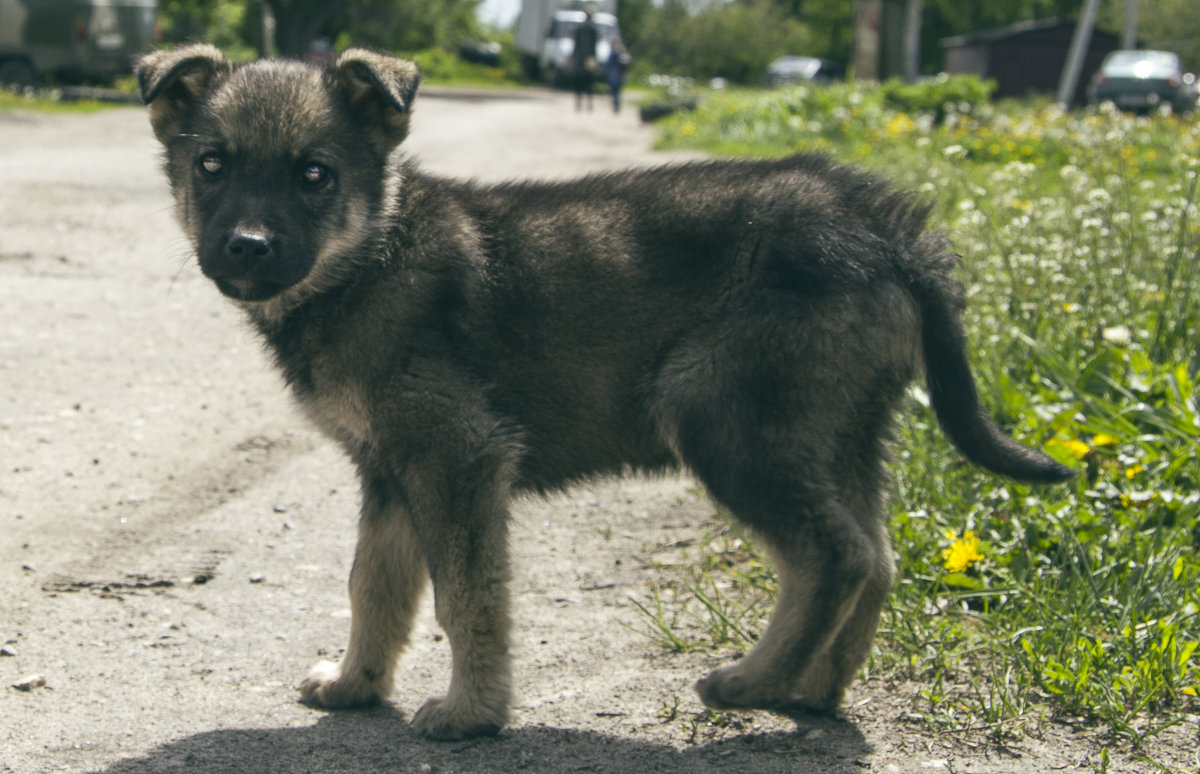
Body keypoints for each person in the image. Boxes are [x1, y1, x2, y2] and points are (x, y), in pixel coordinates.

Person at [571, 5, 599, 112]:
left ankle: (580, 104)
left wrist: (573, 58)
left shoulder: (580, 28)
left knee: (579, 81)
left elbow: (575, 46)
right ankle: (588, 104)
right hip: (588, 59)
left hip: (580, 58)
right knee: (589, 82)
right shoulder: (593, 30)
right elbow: (594, 47)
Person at [604, 37, 630, 113]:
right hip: (620, 75)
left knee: (614, 92)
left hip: (613, 75)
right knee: (618, 92)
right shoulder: (623, 53)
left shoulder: (612, 53)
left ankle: (615, 105)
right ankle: (617, 105)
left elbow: (607, 64)